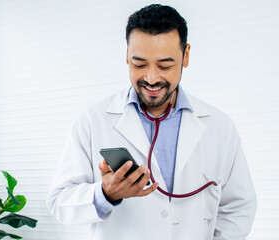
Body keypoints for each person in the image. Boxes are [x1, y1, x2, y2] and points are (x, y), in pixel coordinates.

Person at [47, 4, 257, 240]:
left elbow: (238, 208)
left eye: (165, 66)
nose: (151, 78)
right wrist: (106, 193)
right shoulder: (93, 120)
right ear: (126, 55)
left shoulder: (220, 127)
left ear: (186, 56)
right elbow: (60, 203)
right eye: (139, 64)